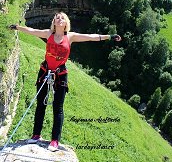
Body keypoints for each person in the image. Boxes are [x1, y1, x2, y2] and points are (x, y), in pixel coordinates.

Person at [9, 12, 121, 151]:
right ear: (54, 22)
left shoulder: (70, 36)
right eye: (57, 18)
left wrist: (109, 37)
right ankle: (36, 135)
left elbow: (90, 37)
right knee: (40, 104)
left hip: (60, 74)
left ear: (66, 22)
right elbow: (31, 31)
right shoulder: (48, 34)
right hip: (45, 71)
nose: (59, 19)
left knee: (58, 107)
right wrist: (17, 27)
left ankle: (55, 140)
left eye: (62, 18)